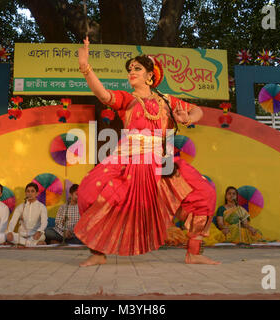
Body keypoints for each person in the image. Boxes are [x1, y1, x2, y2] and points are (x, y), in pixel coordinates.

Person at [73, 37, 219, 266]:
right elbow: (103, 95)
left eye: (137, 69)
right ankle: (98, 253)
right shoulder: (127, 99)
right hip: (127, 160)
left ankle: (194, 253)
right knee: (88, 192)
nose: (131, 72)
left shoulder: (167, 101)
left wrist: (188, 118)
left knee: (204, 194)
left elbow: (197, 110)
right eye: (130, 69)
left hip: (160, 164)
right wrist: (85, 68)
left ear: (150, 76)